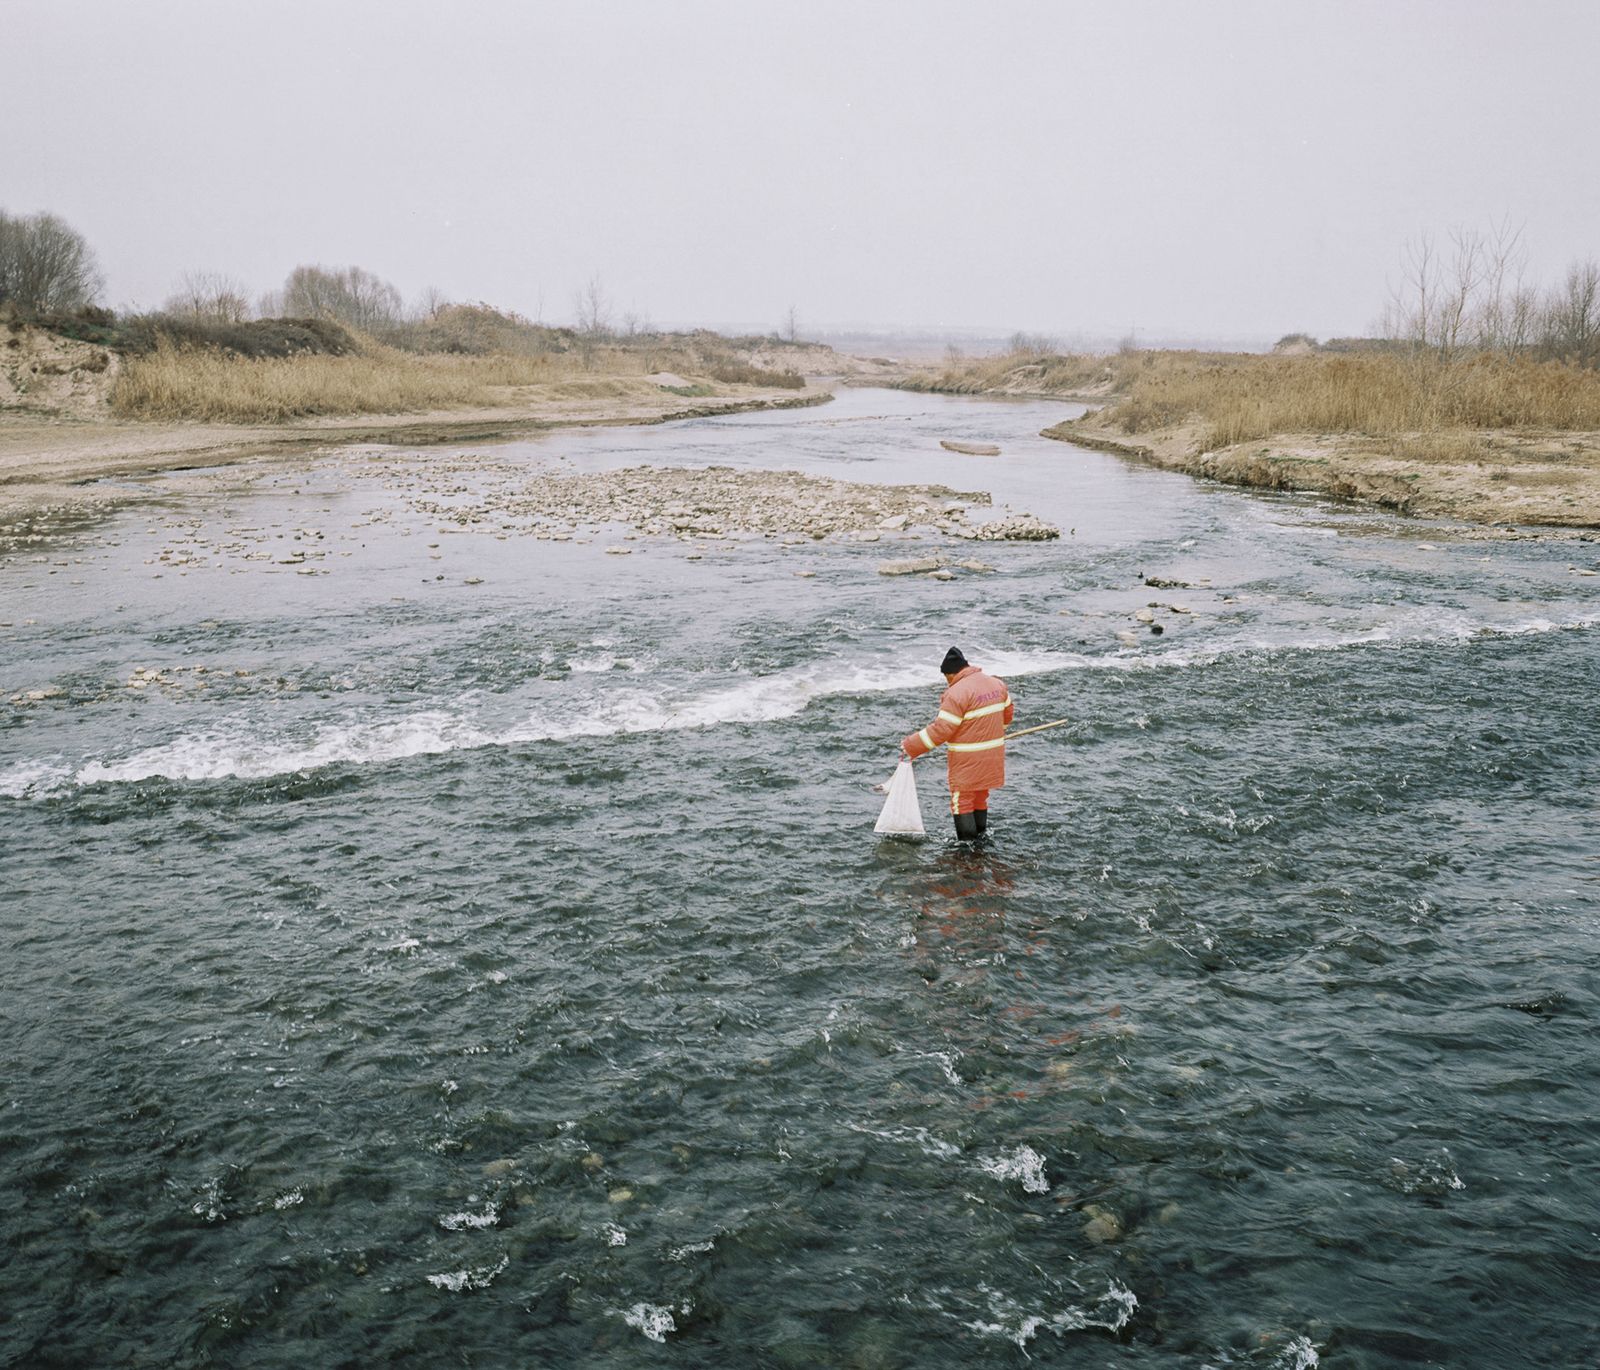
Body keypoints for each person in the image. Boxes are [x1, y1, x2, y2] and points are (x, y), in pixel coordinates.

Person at [900, 647, 1013, 841]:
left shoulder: (956, 693)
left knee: (962, 801)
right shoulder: (997, 684)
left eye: (947, 678)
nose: (947, 682)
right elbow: (1007, 717)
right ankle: (981, 842)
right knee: (980, 795)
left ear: (951, 674)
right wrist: (988, 734)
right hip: (993, 755)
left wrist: (910, 745)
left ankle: (966, 851)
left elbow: (942, 729)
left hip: (967, 760)